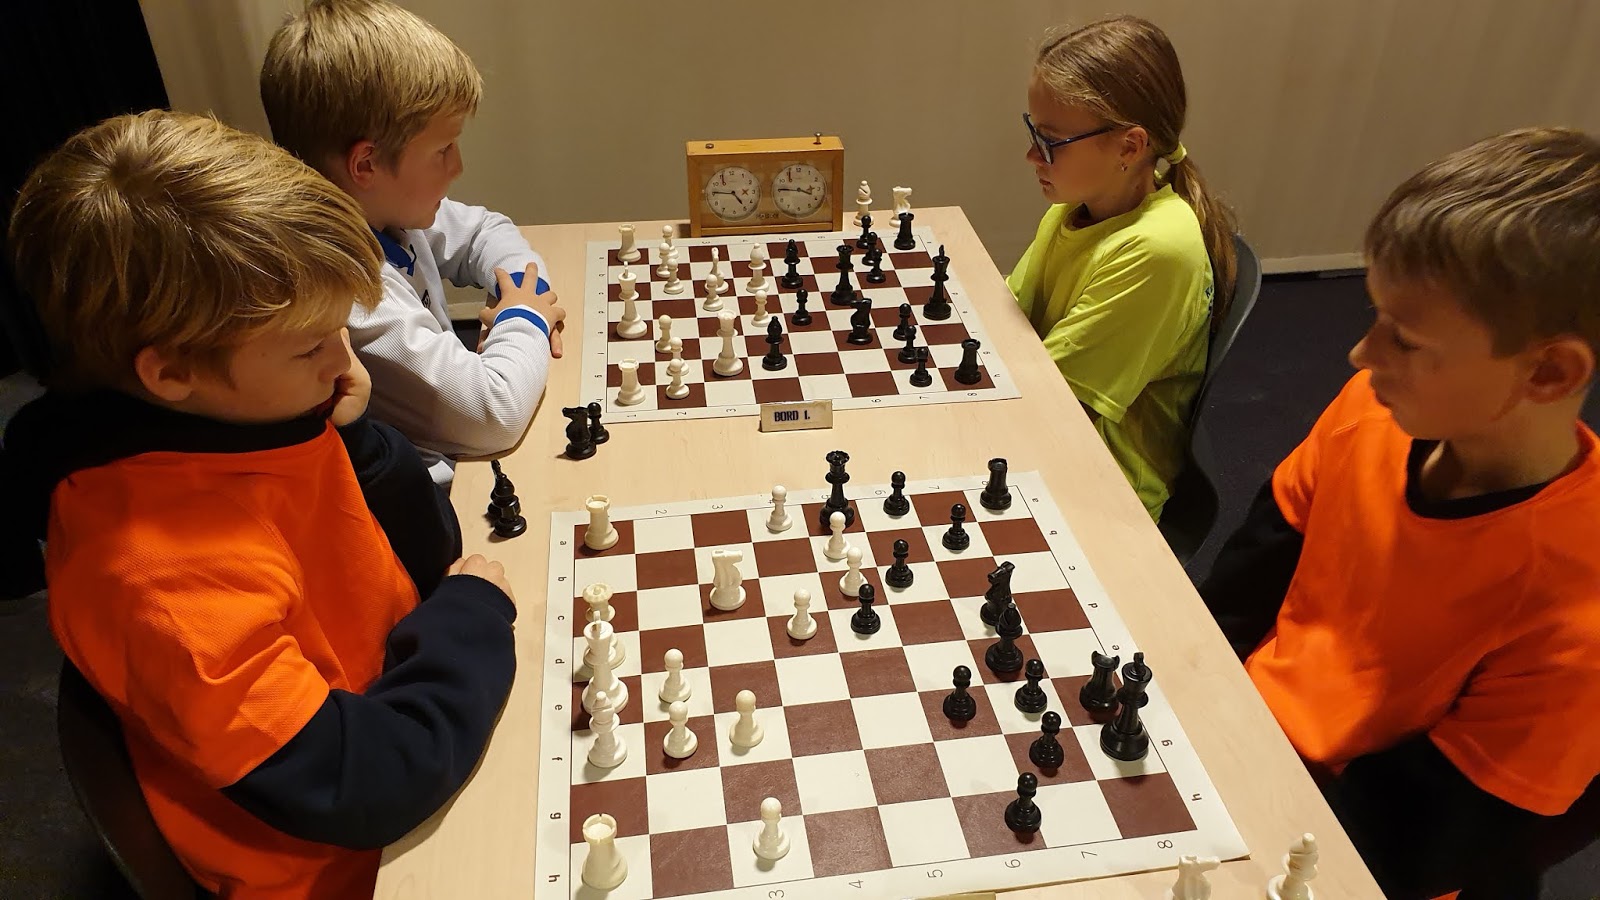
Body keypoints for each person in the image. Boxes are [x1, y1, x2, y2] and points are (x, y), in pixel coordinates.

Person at [3, 110, 519, 899]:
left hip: (409, 709)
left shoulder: (255, 412)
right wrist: (472, 618)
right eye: (312, 345)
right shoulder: (155, 579)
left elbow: (426, 551)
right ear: (171, 373)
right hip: (344, 865)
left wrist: (358, 439)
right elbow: (366, 782)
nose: (342, 360)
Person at [1201, 128, 1600, 897]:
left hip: (1352, 854)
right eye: (1372, 315)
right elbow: (1236, 599)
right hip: (1242, 747)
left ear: (1549, 370)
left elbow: (1414, 844)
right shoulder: (1369, 411)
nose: (1361, 355)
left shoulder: (1578, 612)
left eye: (1406, 340)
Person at [261, 0, 565, 486]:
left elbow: (487, 231)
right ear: (366, 165)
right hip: (430, 501)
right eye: (443, 149)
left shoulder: (382, 210)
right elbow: (494, 413)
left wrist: (518, 298)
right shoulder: (347, 292)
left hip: (460, 462)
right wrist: (525, 320)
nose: (458, 166)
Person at [1008, 15, 1236, 521]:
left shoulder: (1158, 250)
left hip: (1103, 489)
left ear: (1130, 146)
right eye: (1032, 132)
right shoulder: (1074, 210)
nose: (1030, 156)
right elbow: (1008, 320)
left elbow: (1052, 410)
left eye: (1049, 141)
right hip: (1048, 441)